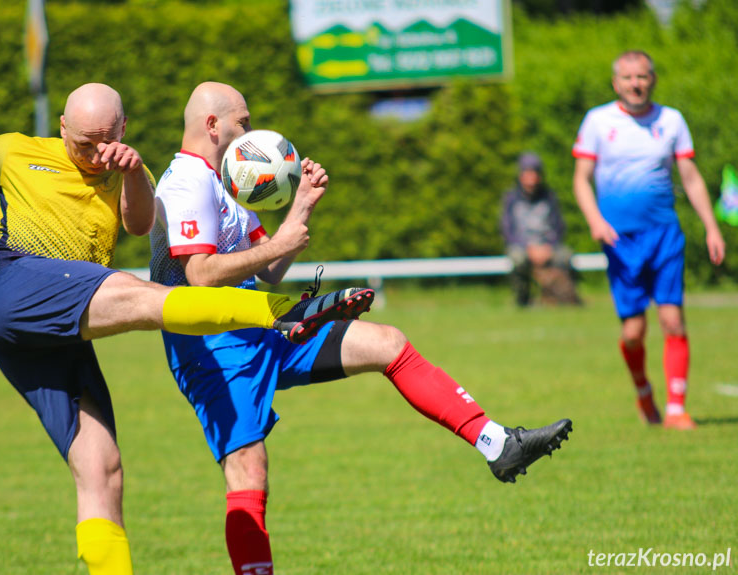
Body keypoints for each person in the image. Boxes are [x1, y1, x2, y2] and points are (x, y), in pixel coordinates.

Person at [0, 83, 374, 575]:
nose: (95, 154)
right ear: (62, 126)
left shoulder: (127, 170)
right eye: (83, 142)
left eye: (106, 141)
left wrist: (133, 172)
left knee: (102, 470)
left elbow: (137, 225)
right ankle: (283, 311)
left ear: (123, 130)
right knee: (140, 295)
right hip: (16, 285)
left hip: (57, 331)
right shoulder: (14, 151)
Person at [150, 81, 573, 575]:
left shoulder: (231, 181)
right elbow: (199, 276)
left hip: (262, 323)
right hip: (211, 345)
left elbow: (270, 271)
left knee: (388, 343)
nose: (251, 127)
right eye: (243, 121)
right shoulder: (186, 182)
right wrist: (279, 240)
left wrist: (302, 204)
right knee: (249, 469)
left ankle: (497, 444)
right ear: (212, 125)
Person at [572, 51, 726, 430]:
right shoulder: (597, 121)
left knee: (673, 320)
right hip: (621, 242)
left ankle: (676, 407)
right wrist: (595, 219)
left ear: (653, 80)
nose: (636, 84)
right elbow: (580, 178)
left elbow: (689, 177)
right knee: (633, 332)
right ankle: (643, 392)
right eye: (628, 78)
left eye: (642, 76)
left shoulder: (671, 120)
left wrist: (711, 226)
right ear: (616, 83)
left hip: (664, 236)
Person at [501, 152, 581, 307]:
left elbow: (559, 227)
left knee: (565, 256)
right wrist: (528, 248)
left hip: (547, 245)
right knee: (518, 258)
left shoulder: (549, 196)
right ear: (520, 175)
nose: (531, 179)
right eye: (527, 173)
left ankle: (565, 298)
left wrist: (548, 246)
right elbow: (507, 230)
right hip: (522, 246)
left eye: (534, 174)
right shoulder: (511, 198)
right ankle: (522, 299)